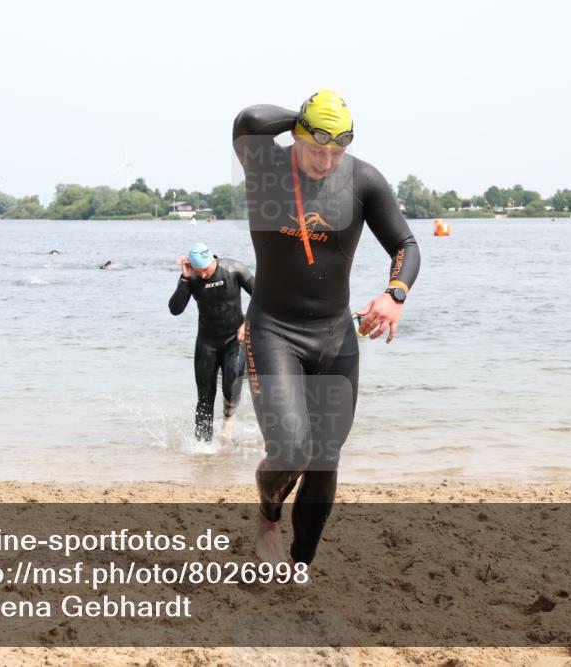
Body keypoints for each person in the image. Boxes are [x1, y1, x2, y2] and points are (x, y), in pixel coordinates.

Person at [233, 90, 421, 566]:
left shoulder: (363, 180)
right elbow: (250, 119)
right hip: (273, 329)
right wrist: (304, 118)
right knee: (292, 448)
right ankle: (268, 517)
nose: (326, 159)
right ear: (296, 135)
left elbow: (405, 244)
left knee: (324, 459)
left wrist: (395, 292)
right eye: (317, 146)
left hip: (335, 336)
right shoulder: (265, 166)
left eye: (337, 150)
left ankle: (300, 564)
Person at [169, 242, 255, 442]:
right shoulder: (191, 278)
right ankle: (202, 447)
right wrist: (184, 278)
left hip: (235, 339)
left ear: (212, 261)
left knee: (230, 385)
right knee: (205, 397)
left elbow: (262, 296)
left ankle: (228, 420)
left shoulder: (233, 269)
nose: (204, 275)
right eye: (200, 272)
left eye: (206, 270)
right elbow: (175, 309)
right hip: (207, 342)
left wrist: (247, 323)